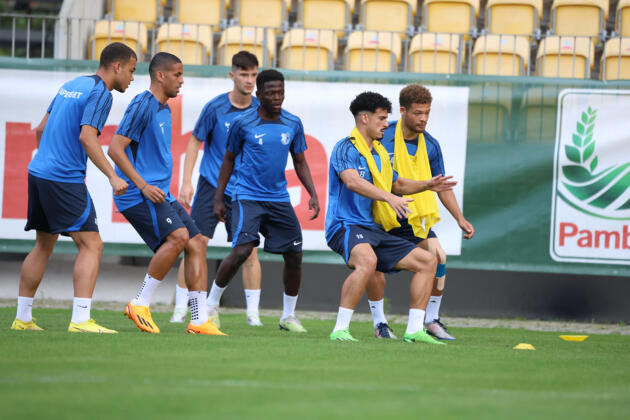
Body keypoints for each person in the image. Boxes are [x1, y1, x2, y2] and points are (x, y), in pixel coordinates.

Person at [10, 42, 136, 333]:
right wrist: (112, 176)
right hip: (63, 178)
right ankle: (80, 320)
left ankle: (22, 318)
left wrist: (48, 158)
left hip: (39, 172)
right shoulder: (101, 93)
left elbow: (41, 129)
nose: (132, 78)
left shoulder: (72, 84)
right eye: (131, 71)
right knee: (92, 245)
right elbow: (87, 138)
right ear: (117, 66)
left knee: (43, 244)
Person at [108, 52, 224, 336]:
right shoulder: (143, 105)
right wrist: (143, 186)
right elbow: (115, 148)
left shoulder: (164, 108)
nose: (181, 81)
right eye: (177, 74)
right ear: (160, 76)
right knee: (180, 237)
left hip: (160, 193)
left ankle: (198, 319)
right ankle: (140, 303)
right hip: (139, 194)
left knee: (196, 243)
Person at [326, 91, 456, 343]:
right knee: (368, 261)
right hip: (345, 225)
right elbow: (352, 182)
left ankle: (415, 330)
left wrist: (427, 184)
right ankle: (340, 329)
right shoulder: (345, 148)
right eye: (382, 118)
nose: (387, 124)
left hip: (373, 228)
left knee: (428, 261)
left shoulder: (380, 154)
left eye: (387, 118)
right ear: (365, 118)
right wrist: (389, 198)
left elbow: (397, 185)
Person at [208, 69, 320, 333]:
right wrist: (218, 198)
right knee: (242, 250)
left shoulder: (293, 123)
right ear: (259, 95)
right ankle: (210, 306)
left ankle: (288, 317)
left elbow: (300, 161)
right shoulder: (243, 123)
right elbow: (228, 160)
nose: (277, 97)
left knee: (295, 255)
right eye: (271, 93)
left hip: (278, 198)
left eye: (280, 92)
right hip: (247, 196)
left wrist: (313, 193)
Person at [367, 84, 475, 341]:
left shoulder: (431, 145)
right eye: (418, 113)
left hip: (412, 217)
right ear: (403, 111)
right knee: (373, 267)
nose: (423, 118)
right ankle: (380, 323)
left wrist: (460, 218)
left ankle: (430, 320)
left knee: (439, 257)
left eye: (427, 113)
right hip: (380, 214)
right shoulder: (383, 136)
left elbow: (440, 186)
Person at [170, 51, 263, 327]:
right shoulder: (215, 108)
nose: (249, 80)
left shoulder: (261, 110)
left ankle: (253, 315)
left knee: (249, 250)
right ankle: (180, 309)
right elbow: (194, 142)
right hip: (212, 186)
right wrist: (186, 182)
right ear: (232, 75)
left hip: (244, 191)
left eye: (253, 75)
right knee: (195, 244)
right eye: (244, 74)